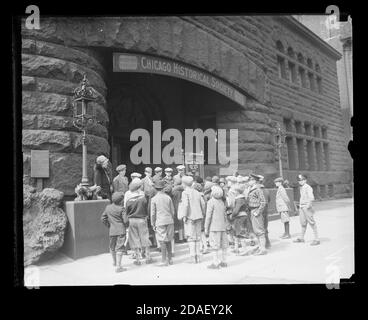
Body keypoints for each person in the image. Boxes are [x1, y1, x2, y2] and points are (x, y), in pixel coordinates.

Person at [178, 175, 206, 263]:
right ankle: (198, 257)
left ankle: (193, 257)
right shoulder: (197, 192)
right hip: (198, 216)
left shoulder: (185, 192)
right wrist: (202, 213)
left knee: (191, 238)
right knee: (197, 237)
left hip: (189, 217)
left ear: (184, 184)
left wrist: (184, 216)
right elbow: (203, 204)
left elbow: (185, 205)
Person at [125, 178, 153, 265]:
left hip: (132, 220)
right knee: (145, 237)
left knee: (134, 239)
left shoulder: (129, 201)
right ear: (138, 188)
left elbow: (126, 212)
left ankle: (137, 259)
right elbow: (146, 210)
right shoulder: (143, 199)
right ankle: (148, 257)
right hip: (142, 219)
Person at [101, 192, 128, 273]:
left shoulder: (108, 207)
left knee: (112, 247)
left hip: (112, 231)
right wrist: (126, 225)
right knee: (120, 247)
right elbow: (126, 221)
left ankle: (114, 262)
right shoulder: (122, 208)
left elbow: (103, 218)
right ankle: (119, 267)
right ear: (120, 201)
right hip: (121, 231)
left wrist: (109, 225)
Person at [150, 180, 175, 266]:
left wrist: (153, 223)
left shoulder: (154, 199)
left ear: (155, 188)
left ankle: (164, 260)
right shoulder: (168, 197)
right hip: (169, 220)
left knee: (162, 240)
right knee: (169, 239)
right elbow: (173, 211)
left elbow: (153, 213)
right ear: (163, 188)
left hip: (160, 221)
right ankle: (170, 259)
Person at [205, 185, 229, 269]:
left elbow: (208, 216)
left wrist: (206, 228)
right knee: (224, 245)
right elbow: (225, 215)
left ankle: (215, 263)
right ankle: (224, 261)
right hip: (223, 226)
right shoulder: (222, 202)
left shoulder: (211, 202)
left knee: (214, 245)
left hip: (214, 227)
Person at [293, 174, 320, 245]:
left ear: (305, 180)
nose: (300, 182)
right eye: (299, 180)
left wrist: (308, 206)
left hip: (306, 207)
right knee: (303, 223)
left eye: (302, 180)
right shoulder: (301, 187)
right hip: (302, 207)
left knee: (312, 223)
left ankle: (317, 239)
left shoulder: (308, 187)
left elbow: (311, 198)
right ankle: (301, 238)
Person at [247, 174, 267, 255]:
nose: (249, 181)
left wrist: (258, 211)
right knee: (256, 230)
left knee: (260, 231)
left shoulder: (257, 189)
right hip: (252, 210)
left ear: (255, 181)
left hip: (256, 210)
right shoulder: (251, 189)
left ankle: (263, 249)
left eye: (251, 180)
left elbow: (263, 202)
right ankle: (260, 247)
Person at [229, 184, 248, 255]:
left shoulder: (239, 199)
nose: (234, 193)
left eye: (235, 191)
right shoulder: (242, 198)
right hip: (241, 216)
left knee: (240, 233)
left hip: (240, 217)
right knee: (236, 233)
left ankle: (245, 250)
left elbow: (236, 210)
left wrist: (232, 215)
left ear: (237, 192)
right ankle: (236, 249)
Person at [259, 177, 271, 249]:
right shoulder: (266, 190)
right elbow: (269, 200)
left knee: (260, 228)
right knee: (265, 227)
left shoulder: (257, 190)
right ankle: (267, 243)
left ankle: (262, 245)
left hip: (259, 211)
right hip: (265, 210)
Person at [172, 177, 185, 242]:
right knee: (183, 222)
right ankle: (184, 237)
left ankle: (179, 238)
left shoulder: (173, 191)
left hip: (176, 207)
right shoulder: (184, 189)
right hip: (183, 207)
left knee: (177, 223)